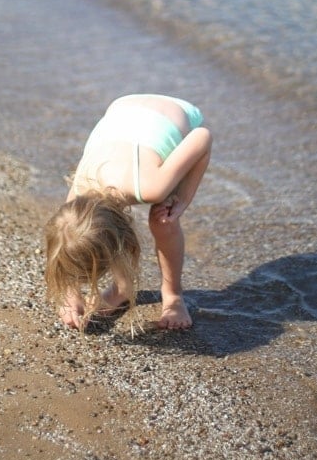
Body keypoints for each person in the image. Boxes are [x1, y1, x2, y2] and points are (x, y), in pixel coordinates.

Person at [45, 94, 212, 331]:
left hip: (174, 112)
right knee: (76, 232)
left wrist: (183, 199)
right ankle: (122, 289)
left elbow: (202, 136)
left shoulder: (151, 186)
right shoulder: (76, 198)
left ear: (126, 243)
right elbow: (66, 241)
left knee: (164, 219)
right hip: (123, 107)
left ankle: (173, 294)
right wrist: (70, 295)